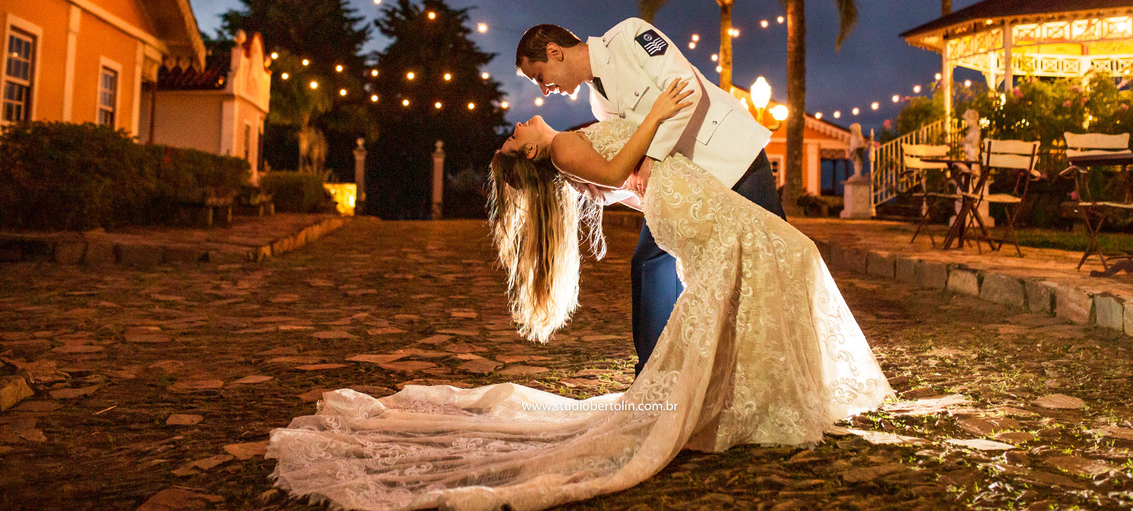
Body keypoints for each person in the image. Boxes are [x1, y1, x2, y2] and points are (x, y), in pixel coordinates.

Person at [268, 80, 891, 511]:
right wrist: (658, 112)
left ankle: (755, 392)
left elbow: (620, 174)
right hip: (684, 202)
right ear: (530, 151)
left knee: (773, 263)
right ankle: (761, 394)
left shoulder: (567, 145)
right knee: (786, 256)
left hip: (682, 197)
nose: (516, 126)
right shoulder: (562, 147)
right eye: (513, 138)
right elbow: (617, 170)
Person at [514, 20, 785, 376]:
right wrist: (601, 188)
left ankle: (783, 362)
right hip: (689, 188)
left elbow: (686, 88)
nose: (544, 89)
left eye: (539, 76)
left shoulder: (629, 36)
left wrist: (652, 158)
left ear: (554, 52)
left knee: (777, 257)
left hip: (733, 158)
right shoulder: (598, 104)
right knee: (649, 263)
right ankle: (655, 373)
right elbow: (627, 159)